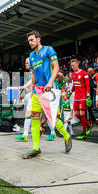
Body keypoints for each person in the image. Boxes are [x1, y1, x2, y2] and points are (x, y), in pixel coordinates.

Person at [22, 31, 72, 159]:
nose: (30, 43)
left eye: (32, 40)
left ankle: (66, 136)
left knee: (52, 119)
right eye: (29, 41)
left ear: (38, 39)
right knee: (34, 115)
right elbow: (33, 74)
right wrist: (32, 89)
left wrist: (50, 82)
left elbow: (56, 67)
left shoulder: (49, 50)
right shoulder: (31, 55)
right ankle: (35, 148)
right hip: (37, 90)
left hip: (50, 89)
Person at [70, 59, 92, 140]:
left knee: (82, 114)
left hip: (83, 96)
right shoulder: (72, 74)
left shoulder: (84, 73)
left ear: (77, 64)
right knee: (76, 114)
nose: (72, 67)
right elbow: (74, 85)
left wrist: (88, 95)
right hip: (76, 96)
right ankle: (89, 125)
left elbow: (87, 85)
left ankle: (84, 133)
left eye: (74, 65)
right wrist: (70, 91)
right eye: (71, 66)